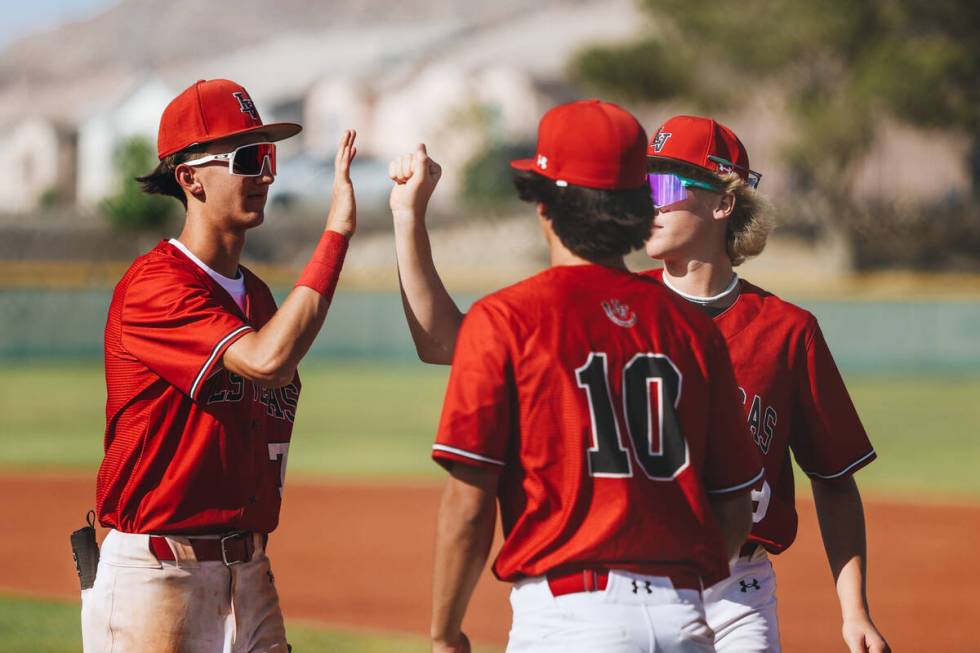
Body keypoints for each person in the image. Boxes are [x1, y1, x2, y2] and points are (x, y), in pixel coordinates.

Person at [389, 99, 762, 653]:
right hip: (684, 618)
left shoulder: (511, 317)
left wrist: (444, 634)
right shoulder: (692, 328)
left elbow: (468, 508)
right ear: (641, 208)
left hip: (570, 620)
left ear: (544, 206)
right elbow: (733, 502)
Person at [83, 78, 357, 653]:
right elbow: (267, 358)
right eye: (248, 158)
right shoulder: (156, 286)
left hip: (249, 570)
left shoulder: (256, 296)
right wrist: (336, 233)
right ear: (190, 178)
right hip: (160, 575)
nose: (266, 174)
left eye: (269, 156)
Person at [643, 115, 889, 653]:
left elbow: (833, 478)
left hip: (740, 592)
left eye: (664, 184)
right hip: (638, 584)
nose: (649, 202)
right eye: (641, 185)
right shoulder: (617, 306)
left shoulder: (787, 330)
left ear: (722, 203)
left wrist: (856, 613)